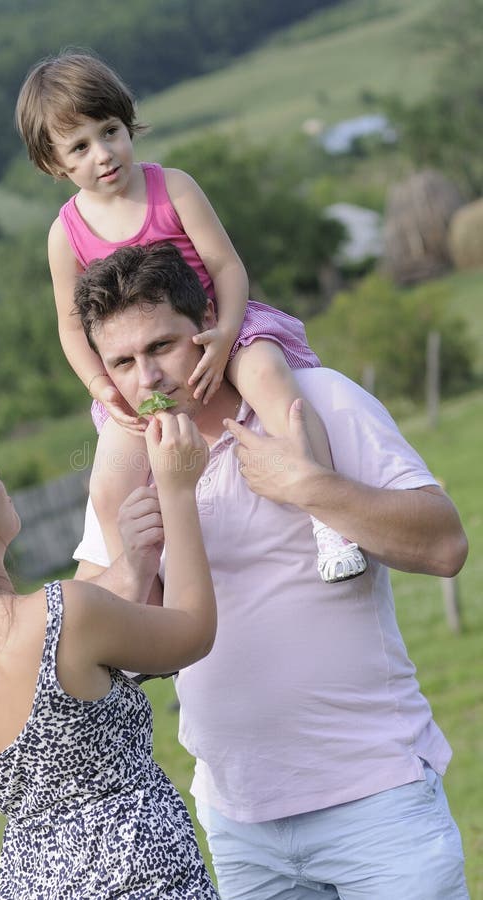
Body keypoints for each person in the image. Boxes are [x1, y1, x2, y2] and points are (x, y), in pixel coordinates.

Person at [72, 242, 470, 900]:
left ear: (209, 326)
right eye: (122, 362)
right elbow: (91, 622)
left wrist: (311, 486)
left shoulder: (315, 403)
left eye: (162, 346)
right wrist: (132, 562)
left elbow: (445, 544)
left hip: (376, 803)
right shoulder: (131, 465)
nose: (146, 379)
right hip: (240, 824)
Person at [14, 49, 367, 584]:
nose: (104, 154)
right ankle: (139, 585)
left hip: (221, 324)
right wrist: (100, 383)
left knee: (274, 386)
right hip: (139, 368)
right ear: (53, 164)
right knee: (109, 480)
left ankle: (330, 518)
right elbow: (69, 326)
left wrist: (225, 337)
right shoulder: (65, 234)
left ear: (128, 121)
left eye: (110, 131)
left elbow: (226, 267)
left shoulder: (172, 187)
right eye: (80, 147)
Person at [0, 420, 220, 898]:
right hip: (149, 881)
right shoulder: (61, 614)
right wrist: (178, 489)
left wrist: (132, 563)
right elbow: (193, 630)